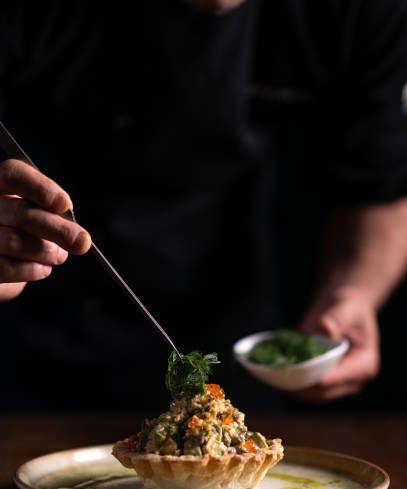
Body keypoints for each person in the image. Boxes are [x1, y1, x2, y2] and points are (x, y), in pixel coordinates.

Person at [0, 0, 406, 409]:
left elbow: (381, 189)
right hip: (24, 352)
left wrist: (354, 290)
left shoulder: (363, 10)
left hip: (230, 330)